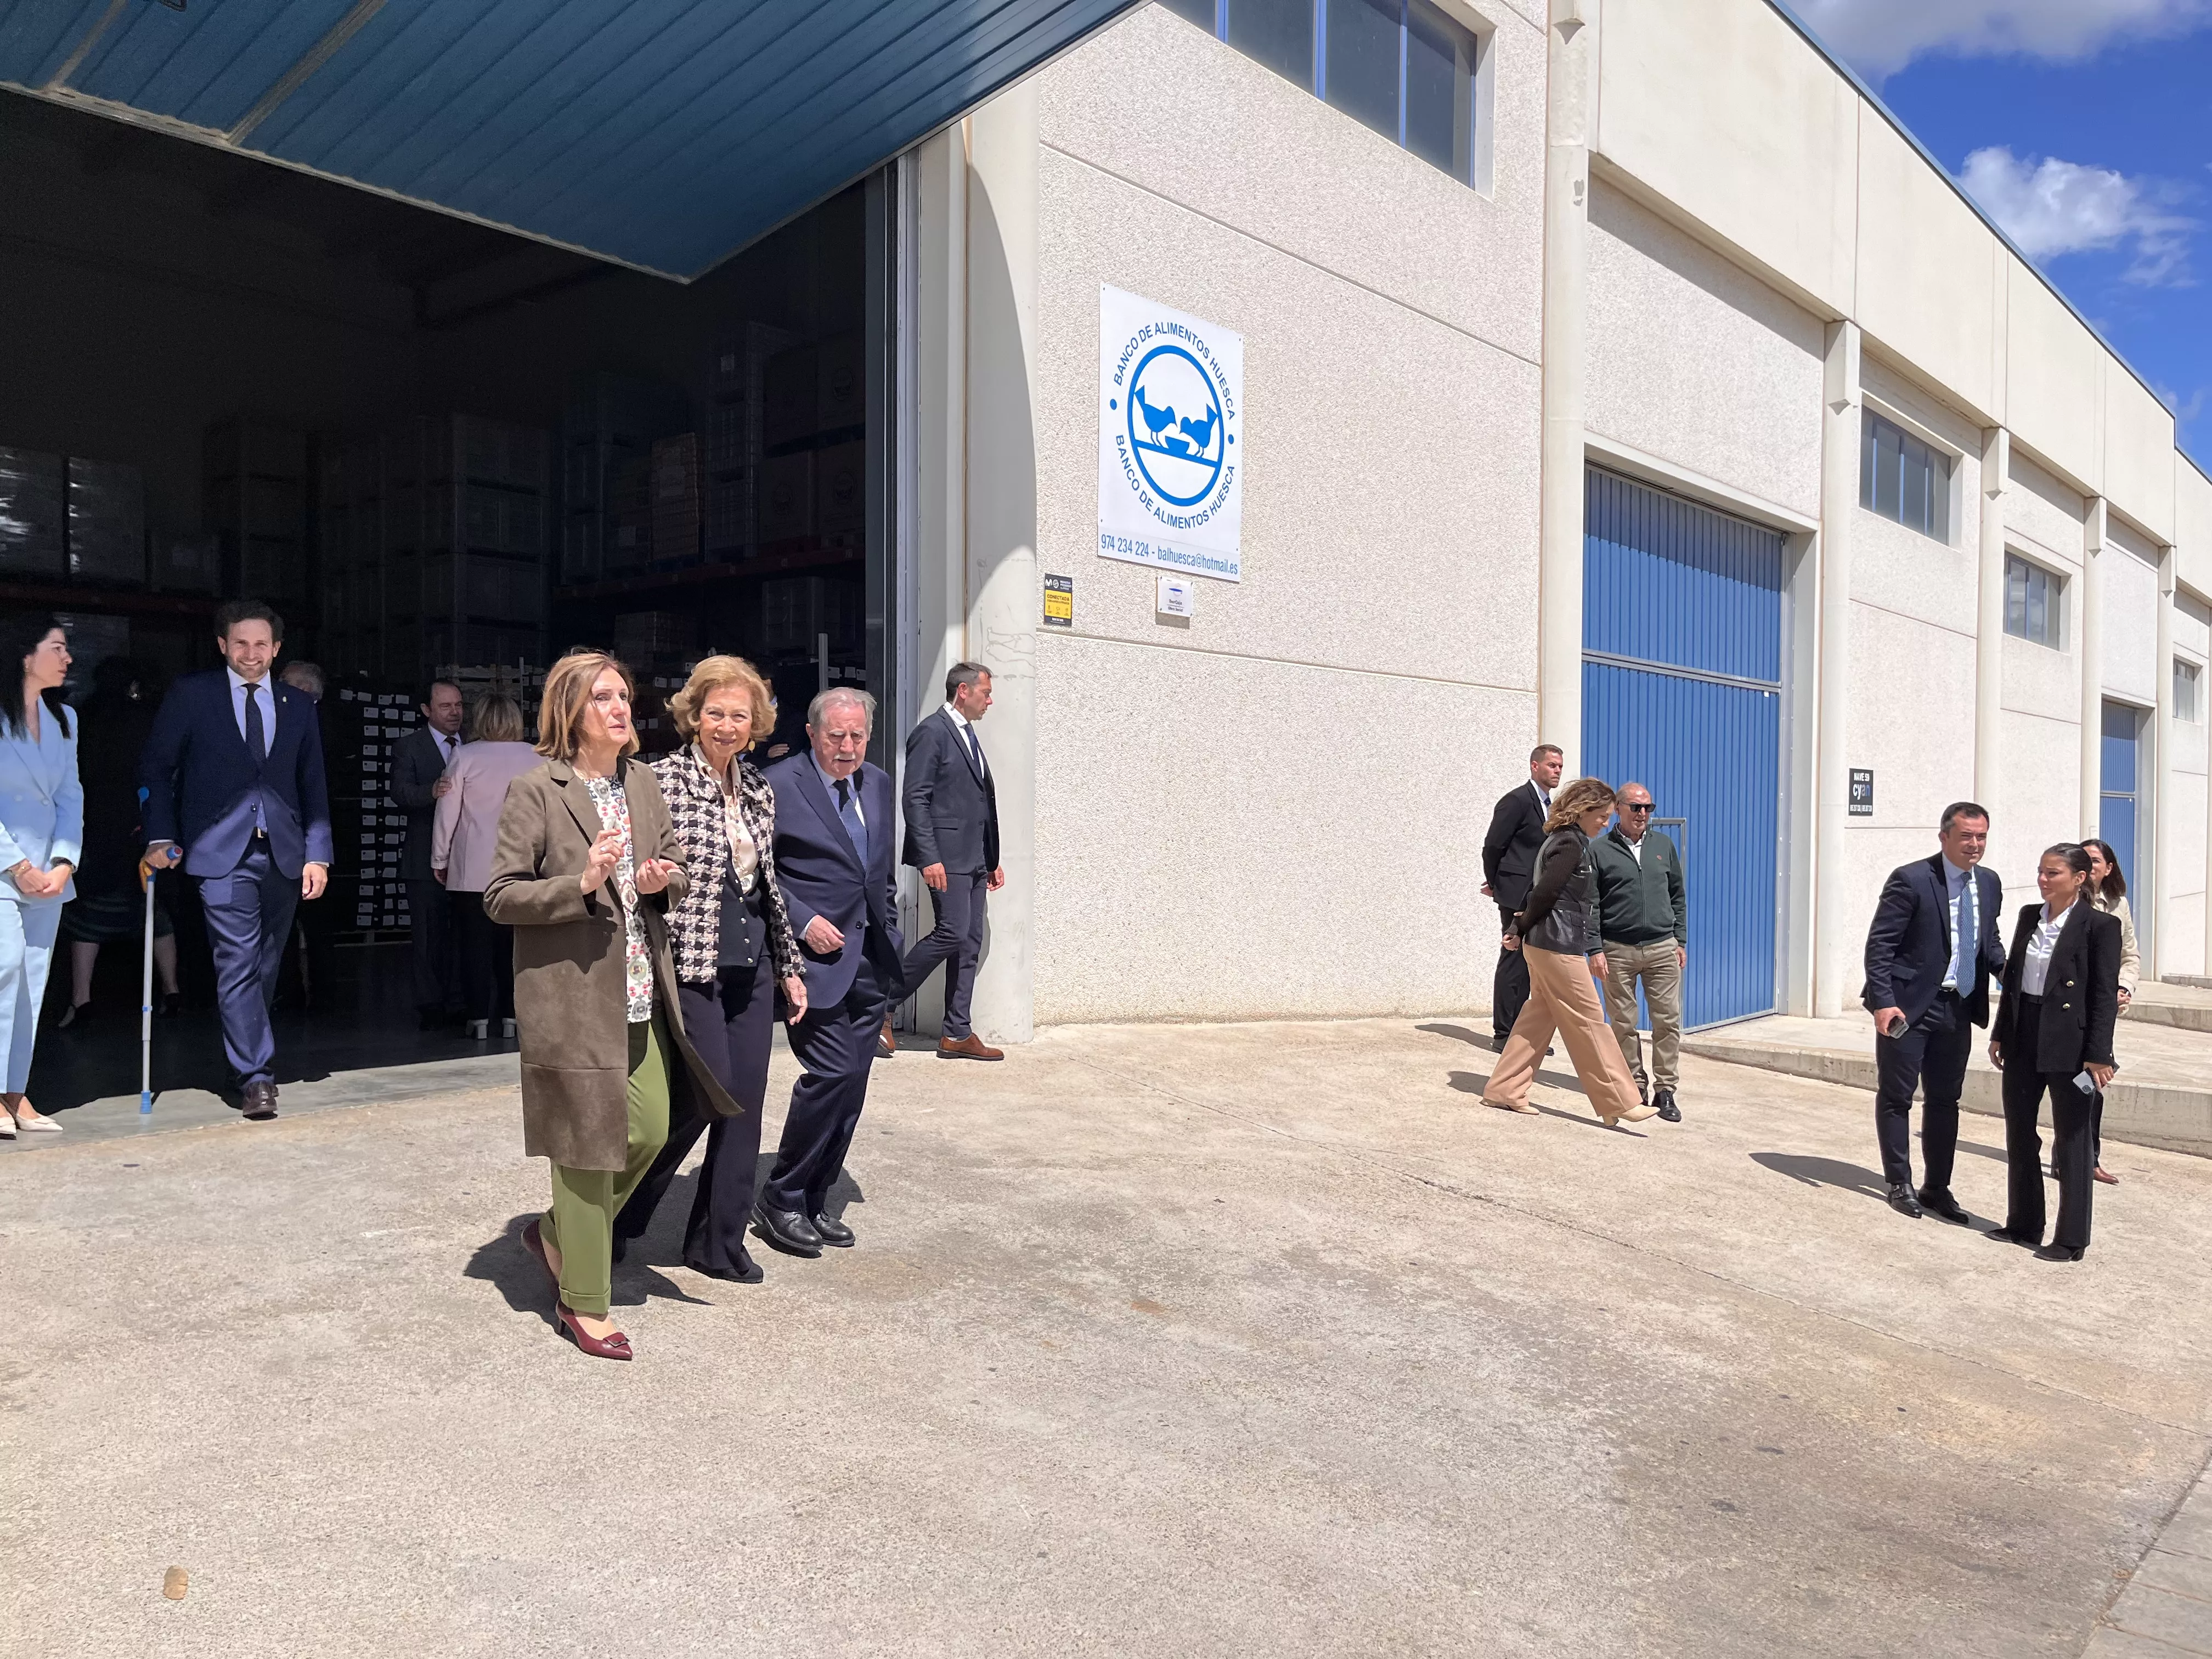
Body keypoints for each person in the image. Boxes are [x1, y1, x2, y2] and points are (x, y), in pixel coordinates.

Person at [486, 652, 736, 1360]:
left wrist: (662, 879)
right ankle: (583, 1302)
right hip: (571, 1000)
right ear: (570, 711)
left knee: (650, 1129)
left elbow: (676, 867)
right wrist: (580, 880)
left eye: (624, 696)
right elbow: (501, 895)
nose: (621, 708)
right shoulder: (536, 790)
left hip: (639, 990)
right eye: (603, 697)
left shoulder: (643, 782)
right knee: (584, 1151)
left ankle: (557, 1233)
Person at [616, 657, 808, 1283]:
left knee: (744, 1105)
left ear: (756, 725)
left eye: (740, 716)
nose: (728, 726)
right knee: (704, 1095)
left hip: (752, 966)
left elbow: (767, 887)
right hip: (690, 962)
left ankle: (716, 1244)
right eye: (716, 714)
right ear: (694, 717)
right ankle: (616, 1214)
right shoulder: (658, 780)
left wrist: (790, 966)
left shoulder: (758, 789)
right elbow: (638, 874)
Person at [140, 600, 331, 1120]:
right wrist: (160, 834)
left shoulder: (298, 704)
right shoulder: (193, 695)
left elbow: (313, 782)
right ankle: (256, 1076)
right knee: (238, 960)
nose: (251, 654)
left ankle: (242, 1058)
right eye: (241, 643)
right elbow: (156, 766)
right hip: (220, 852)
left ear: (277, 648)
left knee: (267, 963)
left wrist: (319, 854)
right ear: (223, 645)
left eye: (261, 644)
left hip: (285, 853)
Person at [754, 687, 906, 1256]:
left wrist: (890, 931)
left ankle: (816, 1197)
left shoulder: (879, 783)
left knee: (854, 1085)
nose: (847, 747)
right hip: (812, 963)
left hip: (869, 960)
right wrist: (802, 920)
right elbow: (756, 871)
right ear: (812, 733)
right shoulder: (776, 784)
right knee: (832, 1074)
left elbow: (878, 871)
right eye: (836, 735)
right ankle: (781, 1197)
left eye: (858, 736)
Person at [1480, 777, 1656, 1126]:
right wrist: (1519, 928)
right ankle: (1620, 1101)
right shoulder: (1571, 843)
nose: (1605, 823)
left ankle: (1505, 1089)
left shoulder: (1558, 839)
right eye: (1602, 816)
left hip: (1544, 945)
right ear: (1583, 810)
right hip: (1559, 946)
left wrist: (1517, 929)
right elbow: (1545, 893)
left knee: (1538, 1017)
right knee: (1590, 1021)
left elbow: (1536, 890)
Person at [1861, 800, 2005, 1221]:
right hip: (1908, 1009)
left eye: (1981, 837)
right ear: (1944, 837)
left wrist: (2015, 976)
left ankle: (1936, 1188)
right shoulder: (1911, 879)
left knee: (1945, 1100)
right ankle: (1899, 1183)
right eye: (1966, 836)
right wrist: (1884, 1002)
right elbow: (1880, 946)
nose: (1975, 844)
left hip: (1958, 1008)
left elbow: (1990, 942)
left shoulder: (1990, 883)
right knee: (1897, 1096)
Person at [1987, 844, 2120, 1262]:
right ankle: (2024, 1224)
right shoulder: (2030, 916)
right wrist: (2000, 1033)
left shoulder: (2101, 926)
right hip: (2024, 1034)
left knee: (2073, 1140)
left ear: (2079, 879)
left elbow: (2103, 995)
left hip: (2071, 1044)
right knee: (2019, 1132)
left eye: (2053, 873)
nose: (2043, 880)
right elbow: (2013, 980)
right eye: (2041, 872)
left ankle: (2071, 1239)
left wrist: (2099, 1054)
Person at [58, 657, 176, 1027]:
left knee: (88, 914)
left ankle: (82, 1000)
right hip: (140, 823)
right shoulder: (147, 719)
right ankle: (172, 991)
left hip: (94, 823)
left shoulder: (82, 717)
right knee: (153, 908)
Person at [898, 660, 1005, 1062]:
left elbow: (976, 801)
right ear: (963, 691)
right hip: (945, 856)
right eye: (986, 693)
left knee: (969, 942)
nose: (990, 701)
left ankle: (957, 1032)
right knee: (953, 933)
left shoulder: (967, 733)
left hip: (973, 857)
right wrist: (929, 857)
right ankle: (879, 1005)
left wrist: (990, 857)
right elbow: (916, 798)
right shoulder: (932, 732)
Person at [0, 616, 81, 1137]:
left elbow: (71, 794)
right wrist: (19, 866)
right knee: (3, 969)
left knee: (32, 980)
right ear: (25, 656)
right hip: (6, 867)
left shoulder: (64, 717)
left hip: (49, 874)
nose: (67, 658)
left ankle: (15, 1093)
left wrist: (65, 861)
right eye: (57, 648)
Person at [431, 693, 541, 1040]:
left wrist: (440, 858)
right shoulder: (537, 757)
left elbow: (447, 813)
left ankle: (478, 1018)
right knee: (515, 949)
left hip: (472, 871)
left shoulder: (465, 756)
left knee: (474, 948)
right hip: (522, 869)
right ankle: (512, 1017)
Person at [1590, 781, 1688, 1121]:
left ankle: (1666, 1090)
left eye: (1648, 808)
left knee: (1668, 1021)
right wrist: (1595, 948)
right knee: (1623, 1024)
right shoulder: (1599, 850)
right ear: (1619, 808)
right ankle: (1634, 1086)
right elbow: (1591, 904)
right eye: (1636, 807)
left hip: (1662, 947)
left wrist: (1680, 940)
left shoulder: (1663, 845)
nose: (1643, 814)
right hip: (1617, 950)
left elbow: (1677, 896)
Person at [393, 678, 466, 1030]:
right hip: (422, 857)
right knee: (427, 935)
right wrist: (431, 791)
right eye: (445, 706)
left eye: (459, 705)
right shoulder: (409, 746)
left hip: (465, 857)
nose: (454, 713)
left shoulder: (473, 746)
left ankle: (459, 1001)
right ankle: (430, 1004)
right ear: (426, 710)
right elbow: (400, 793)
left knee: (461, 933)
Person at [1482, 744, 1563, 1047]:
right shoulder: (1516, 800)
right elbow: (1493, 846)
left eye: (1560, 766)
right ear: (1535, 766)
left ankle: (1525, 1033)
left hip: (1539, 894)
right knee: (1514, 958)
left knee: (1533, 962)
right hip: (1516, 893)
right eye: (1552, 765)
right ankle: (1505, 1034)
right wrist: (1496, 883)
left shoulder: (1551, 806)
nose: (1557, 771)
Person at [276, 661, 338, 1011]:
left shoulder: (308, 724)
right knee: (310, 925)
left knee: (297, 923)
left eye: (285, 682)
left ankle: (295, 994)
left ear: (302, 690)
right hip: (313, 838)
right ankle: (316, 994)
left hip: (309, 836)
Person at [2080, 838, 2139, 1185]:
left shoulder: (2118, 905)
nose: (2089, 867)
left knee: (2092, 1083)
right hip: (2069, 1009)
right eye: (2083, 859)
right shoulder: (2069, 899)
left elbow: (2130, 955)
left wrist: (2124, 986)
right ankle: (2075, 1157)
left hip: (2102, 1012)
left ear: (2108, 868)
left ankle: (2085, 1158)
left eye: (2095, 861)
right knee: (2078, 1083)